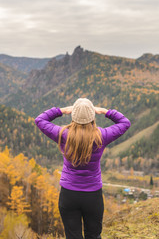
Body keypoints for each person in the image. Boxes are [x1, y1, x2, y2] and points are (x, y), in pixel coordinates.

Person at [34, 98, 131, 239]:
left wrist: (62, 110)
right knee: (93, 235)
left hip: (68, 195)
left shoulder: (63, 134)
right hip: (93, 195)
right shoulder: (101, 136)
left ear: (73, 116)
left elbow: (40, 120)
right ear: (92, 117)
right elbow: (125, 123)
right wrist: (105, 111)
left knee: (73, 236)